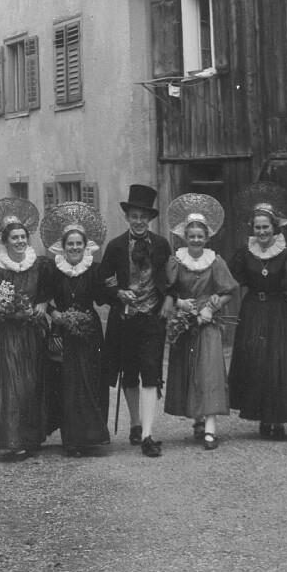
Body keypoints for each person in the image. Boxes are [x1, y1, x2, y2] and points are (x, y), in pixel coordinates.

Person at [227, 181, 287, 439]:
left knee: (278, 363)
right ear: (252, 229)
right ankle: (261, 418)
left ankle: (278, 420)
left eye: (266, 227)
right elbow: (228, 282)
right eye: (258, 227)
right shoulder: (245, 254)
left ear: (274, 227)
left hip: (278, 311)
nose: (262, 232)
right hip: (252, 311)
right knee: (255, 362)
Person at [0, 197, 53, 461]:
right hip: (8, 336)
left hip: (32, 333)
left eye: (23, 237)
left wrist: (43, 302)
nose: (20, 241)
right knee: (11, 385)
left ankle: (31, 438)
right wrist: (5, 307)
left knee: (32, 384)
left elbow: (48, 290)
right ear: (6, 242)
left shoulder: (39, 265)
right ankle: (10, 440)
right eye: (14, 238)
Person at [98, 183, 171, 457]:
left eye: (143, 217)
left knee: (151, 374)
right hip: (124, 319)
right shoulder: (116, 247)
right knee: (129, 373)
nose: (139, 221)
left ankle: (149, 435)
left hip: (152, 318)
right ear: (127, 217)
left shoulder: (161, 245)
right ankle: (136, 424)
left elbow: (171, 279)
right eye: (134, 216)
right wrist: (119, 293)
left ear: (149, 219)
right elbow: (104, 279)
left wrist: (169, 300)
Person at [161, 194, 238, 450]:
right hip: (185, 323)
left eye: (200, 236)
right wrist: (180, 303)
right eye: (192, 236)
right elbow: (167, 291)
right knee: (189, 371)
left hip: (208, 324)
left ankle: (210, 430)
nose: (196, 240)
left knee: (209, 372)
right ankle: (197, 420)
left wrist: (212, 307)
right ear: (185, 236)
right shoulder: (176, 261)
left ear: (207, 238)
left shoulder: (215, 261)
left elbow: (228, 291)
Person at [40, 201, 110, 457]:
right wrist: (54, 314)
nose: (74, 247)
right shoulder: (54, 270)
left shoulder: (94, 269)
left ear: (85, 245)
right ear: (63, 245)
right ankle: (71, 439)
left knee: (89, 382)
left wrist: (112, 285)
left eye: (79, 243)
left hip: (89, 332)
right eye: (70, 243)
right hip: (62, 333)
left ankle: (90, 437)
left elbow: (102, 298)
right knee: (66, 384)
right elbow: (43, 299)